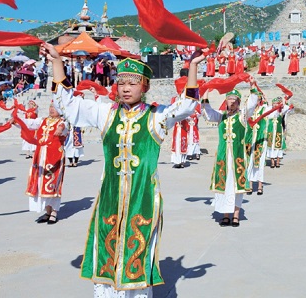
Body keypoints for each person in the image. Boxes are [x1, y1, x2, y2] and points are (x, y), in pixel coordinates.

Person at [45, 42, 205, 296]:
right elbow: (69, 106)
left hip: (142, 199)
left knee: (137, 254)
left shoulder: (157, 116)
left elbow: (186, 106)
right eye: (121, 83)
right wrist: (56, 62)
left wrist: (193, 67)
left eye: (132, 83)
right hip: (109, 198)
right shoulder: (105, 113)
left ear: (145, 87)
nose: (126, 88)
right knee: (107, 251)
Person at [201, 79, 259, 227]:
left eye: (234, 100)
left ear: (238, 102)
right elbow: (208, 113)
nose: (231, 102)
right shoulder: (221, 116)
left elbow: (252, 104)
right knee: (224, 186)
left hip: (237, 157)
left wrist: (252, 86)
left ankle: (236, 214)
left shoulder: (242, 116)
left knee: (236, 187)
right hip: (223, 157)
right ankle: (225, 214)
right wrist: (206, 91)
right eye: (229, 99)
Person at [15, 102, 68, 224]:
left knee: (53, 183)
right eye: (50, 107)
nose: (51, 109)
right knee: (40, 182)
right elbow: (29, 123)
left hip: (54, 158)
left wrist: (61, 128)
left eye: (54, 107)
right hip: (40, 156)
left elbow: (64, 128)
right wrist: (17, 121)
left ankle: (54, 211)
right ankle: (47, 211)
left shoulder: (63, 122)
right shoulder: (42, 120)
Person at [246, 90, 269, 194]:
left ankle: (260, 185)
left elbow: (273, 111)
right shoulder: (248, 112)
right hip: (250, 140)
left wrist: (266, 99)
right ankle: (250, 185)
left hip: (260, 140)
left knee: (259, 163)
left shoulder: (263, 109)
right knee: (249, 162)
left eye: (257, 100)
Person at [265, 96, 293, 169]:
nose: (275, 105)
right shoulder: (268, 109)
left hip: (278, 130)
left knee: (278, 146)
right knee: (271, 146)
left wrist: (283, 101)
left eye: (276, 103)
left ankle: (277, 162)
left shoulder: (281, 110)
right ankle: (272, 162)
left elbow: (287, 108)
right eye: (273, 103)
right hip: (270, 130)